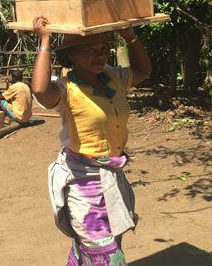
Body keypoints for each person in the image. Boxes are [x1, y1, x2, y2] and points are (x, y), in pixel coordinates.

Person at [31, 16, 152, 265]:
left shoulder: (114, 79)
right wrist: (45, 40)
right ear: (71, 56)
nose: (99, 56)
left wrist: (130, 36)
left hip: (112, 177)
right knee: (104, 252)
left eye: (103, 49)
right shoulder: (66, 89)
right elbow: (41, 92)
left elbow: (143, 70)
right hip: (83, 183)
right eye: (89, 51)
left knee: (107, 242)